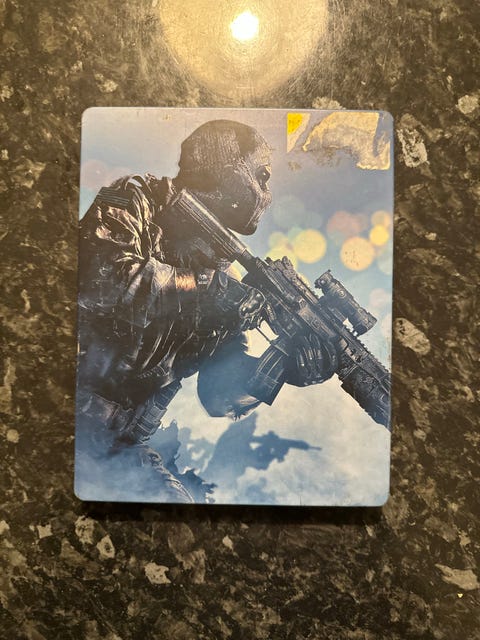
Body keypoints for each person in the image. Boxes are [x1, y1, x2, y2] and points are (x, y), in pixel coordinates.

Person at [75, 120, 338, 502]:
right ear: (225, 169)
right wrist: (204, 286)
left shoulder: (221, 271)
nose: (266, 195)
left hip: (124, 447)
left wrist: (287, 368)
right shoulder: (138, 199)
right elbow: (104, 282)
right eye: (261, 175)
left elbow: (217, 396)